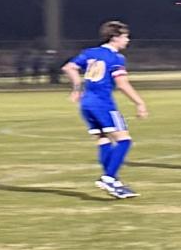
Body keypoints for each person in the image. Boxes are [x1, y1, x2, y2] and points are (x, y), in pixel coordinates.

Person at [62, 20, 149, 198]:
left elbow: (69, 67)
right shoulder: (115, 57)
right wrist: (139, 102)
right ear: (115, 37)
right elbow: (122, 83)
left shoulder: (91, 53)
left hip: (86, 104)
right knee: (124, 140)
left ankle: (113, 181)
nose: (128, 40)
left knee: (103, 140)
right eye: (125, 36)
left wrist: (77, 86)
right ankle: (108, 178)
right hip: (103, 104)